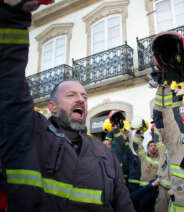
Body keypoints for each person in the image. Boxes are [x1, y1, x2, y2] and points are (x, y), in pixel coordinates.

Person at [0, 2, 135, 210]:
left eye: (84, 96)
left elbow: (124, 205)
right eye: (71, 95)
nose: (81, 99)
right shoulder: (29, 135)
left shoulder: (105, 153)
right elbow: (9, 80)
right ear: (52, 107)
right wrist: (12, 15)